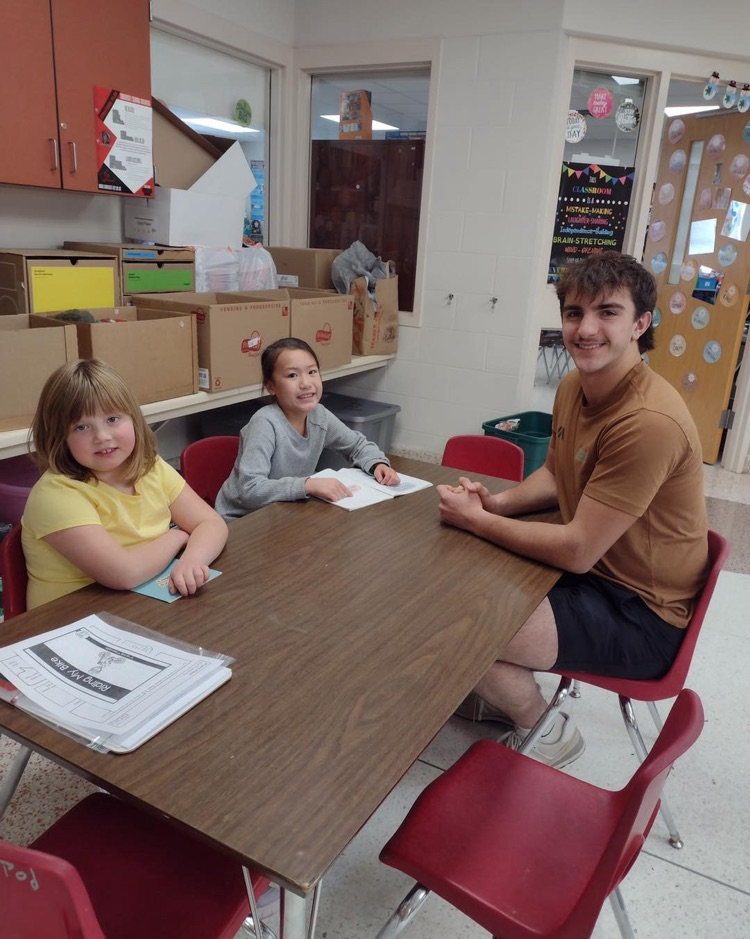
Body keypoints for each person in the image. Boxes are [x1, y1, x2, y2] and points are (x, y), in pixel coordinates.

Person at [438, 252, 708, 769]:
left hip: (642, 614)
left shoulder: (647, 420)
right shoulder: (574, 388)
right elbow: (560, 473)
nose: (586, 329)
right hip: (603, 575)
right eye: (573, 313)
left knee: (457, 626)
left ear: (640, 324)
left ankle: (544, 726)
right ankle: (505, 684)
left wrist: (478, 521)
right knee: (454, 581)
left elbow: (579, 550)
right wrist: (497, 503)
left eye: (607, 312)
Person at [22, 359, 228, 611]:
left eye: (112, 419)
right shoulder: (55, 494)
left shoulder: (149, 467)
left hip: (136, 607)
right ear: (58, 437)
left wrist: (192, 559)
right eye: (82, 427)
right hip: (68, 624)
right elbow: (124, 573)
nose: (102, 437)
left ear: (133, 418)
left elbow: (212, 523)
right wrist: (177, 536)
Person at [216, 337, 400, 519]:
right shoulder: (264, 424)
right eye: (292, 375)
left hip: (281, 512)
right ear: (271, 386)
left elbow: (357, 445)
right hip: (242, 521)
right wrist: (307, 485)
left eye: (312, 372)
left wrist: (377, 463)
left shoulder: (319, 415)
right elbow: (250, 489)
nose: (305, 383)